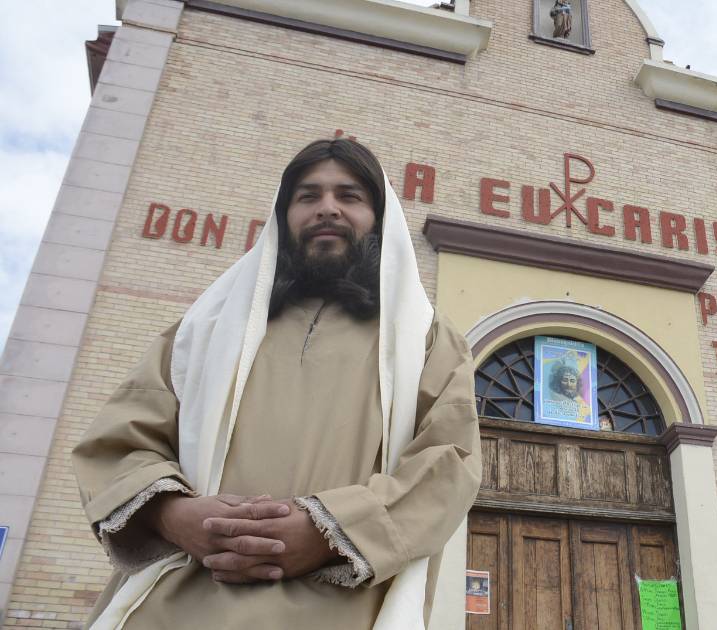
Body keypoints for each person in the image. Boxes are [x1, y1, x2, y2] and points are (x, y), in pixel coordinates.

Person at [72, 138, 482, 629]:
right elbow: (118, 443)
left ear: (380, 219)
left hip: (340, 607)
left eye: (349, 196)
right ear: (283, 217)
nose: (327, 208)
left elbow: (448, 464)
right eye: (308, 196)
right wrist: (173, 516)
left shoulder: (426, 339)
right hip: (177, 602)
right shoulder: (204, 330)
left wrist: (329, 531)